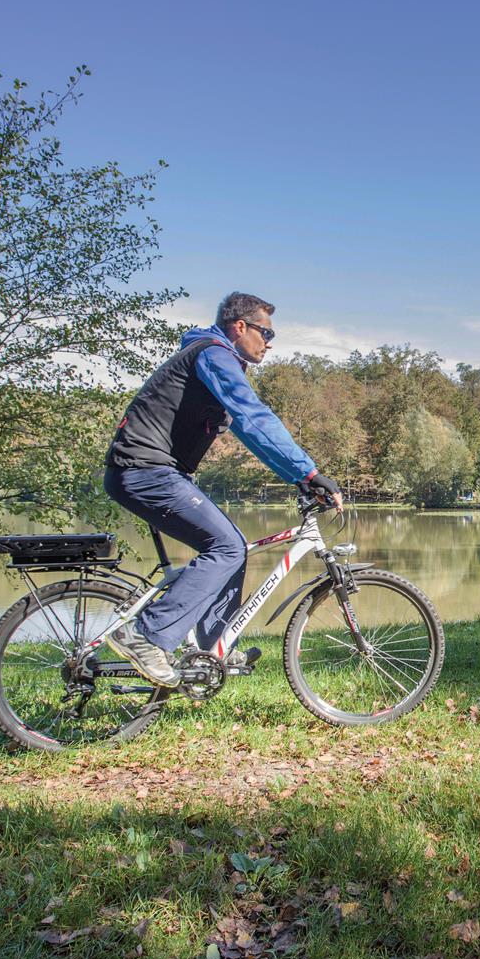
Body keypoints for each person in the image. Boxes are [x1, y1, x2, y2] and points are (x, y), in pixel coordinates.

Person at [102, 292, 342, 686]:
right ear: (239, 326)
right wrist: (308, 472)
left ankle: (212, 644)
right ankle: (145, 636)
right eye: (266, 332)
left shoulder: (212, 356)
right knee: (227, 546)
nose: (270, 342)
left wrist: (297, 477)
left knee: (234, 547)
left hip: (151, 472)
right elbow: (253, 417)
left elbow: (252, 435)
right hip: (145, 470)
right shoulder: (214, 354)